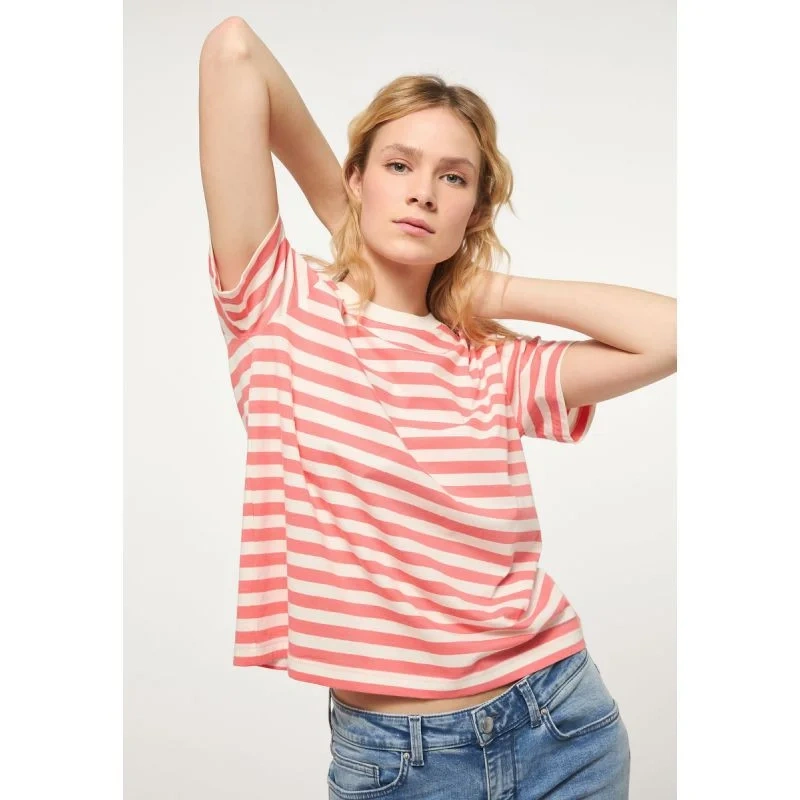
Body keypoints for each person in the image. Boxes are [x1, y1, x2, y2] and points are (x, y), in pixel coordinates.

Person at [199, 16, 675, 799]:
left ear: (474, 213)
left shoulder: (491, 360)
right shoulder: (280, 304)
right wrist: (339, 213)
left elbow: (675, 336)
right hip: (398, 760)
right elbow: (233, 50)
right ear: (358, 177)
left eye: (454, 178)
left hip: (561, 721)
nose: (423, 190)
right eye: (399, 165)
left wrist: (488, 291)